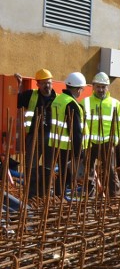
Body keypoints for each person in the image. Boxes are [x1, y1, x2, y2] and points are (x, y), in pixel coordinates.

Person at [83, 72, 120, 198]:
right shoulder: (85, 102)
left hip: (108, 143)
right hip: (89, 143)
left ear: (107, 87)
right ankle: (90, 197)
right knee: (89, 171)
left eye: (103, 86)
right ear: (93, 86)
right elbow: (81, 122)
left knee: (111, 171)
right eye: (98, 86)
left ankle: (114, 197)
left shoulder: (115, 104)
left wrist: (115, 139)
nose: (101, 89)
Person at [15, 69, 56, 197]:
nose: (47, 86)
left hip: (51, 137)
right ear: (37, 84)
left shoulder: (58, 98)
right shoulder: (30, 95)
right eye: (43, 83)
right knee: (31, 165)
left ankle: (44, 193)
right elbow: (17, 101)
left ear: (52, 83)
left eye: (48, 82)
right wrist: (19, 85)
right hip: (34, 136)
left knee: (48, 166)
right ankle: (32, 194)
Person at [48, 72, 89, 197]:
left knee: (61, 173)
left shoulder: (58, 99)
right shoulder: (71, 104)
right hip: (68, 147)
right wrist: (78, 152)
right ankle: (60, 198)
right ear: (78, 89)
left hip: (55, 144)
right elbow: (75, 130)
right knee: (66, 176)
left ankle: (58, 196)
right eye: (82, 89)